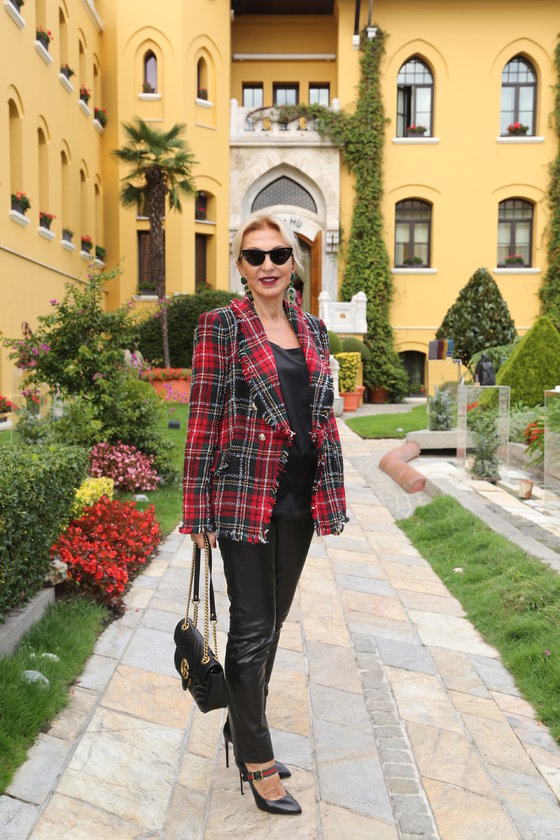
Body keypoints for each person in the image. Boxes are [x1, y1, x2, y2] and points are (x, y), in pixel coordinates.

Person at [180, 211, 347, 816]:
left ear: (293, 263)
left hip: (300, 495)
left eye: (279, 254)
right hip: (243, 496)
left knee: (272, 624)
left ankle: (240, 727)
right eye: (255, 256)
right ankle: (257, 760)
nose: (268, 265)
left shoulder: (313, 330)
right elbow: (203, 418)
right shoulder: (221, 326)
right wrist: (197, 508)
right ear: (241, 267)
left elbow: (318, 412)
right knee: (252, 628)